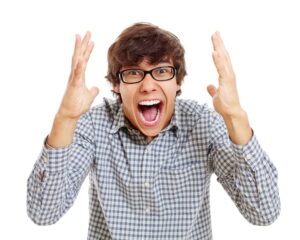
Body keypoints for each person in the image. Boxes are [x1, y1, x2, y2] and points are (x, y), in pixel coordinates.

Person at [27, 23, 280, 240]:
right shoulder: (93, 125)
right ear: (116, 84)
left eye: (161, 71)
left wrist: (235, 115)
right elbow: (43, 213)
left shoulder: (204, 123)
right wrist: (65, 117)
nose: (148, 86)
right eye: (134, 73)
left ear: (178, 80)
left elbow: (264, 213)